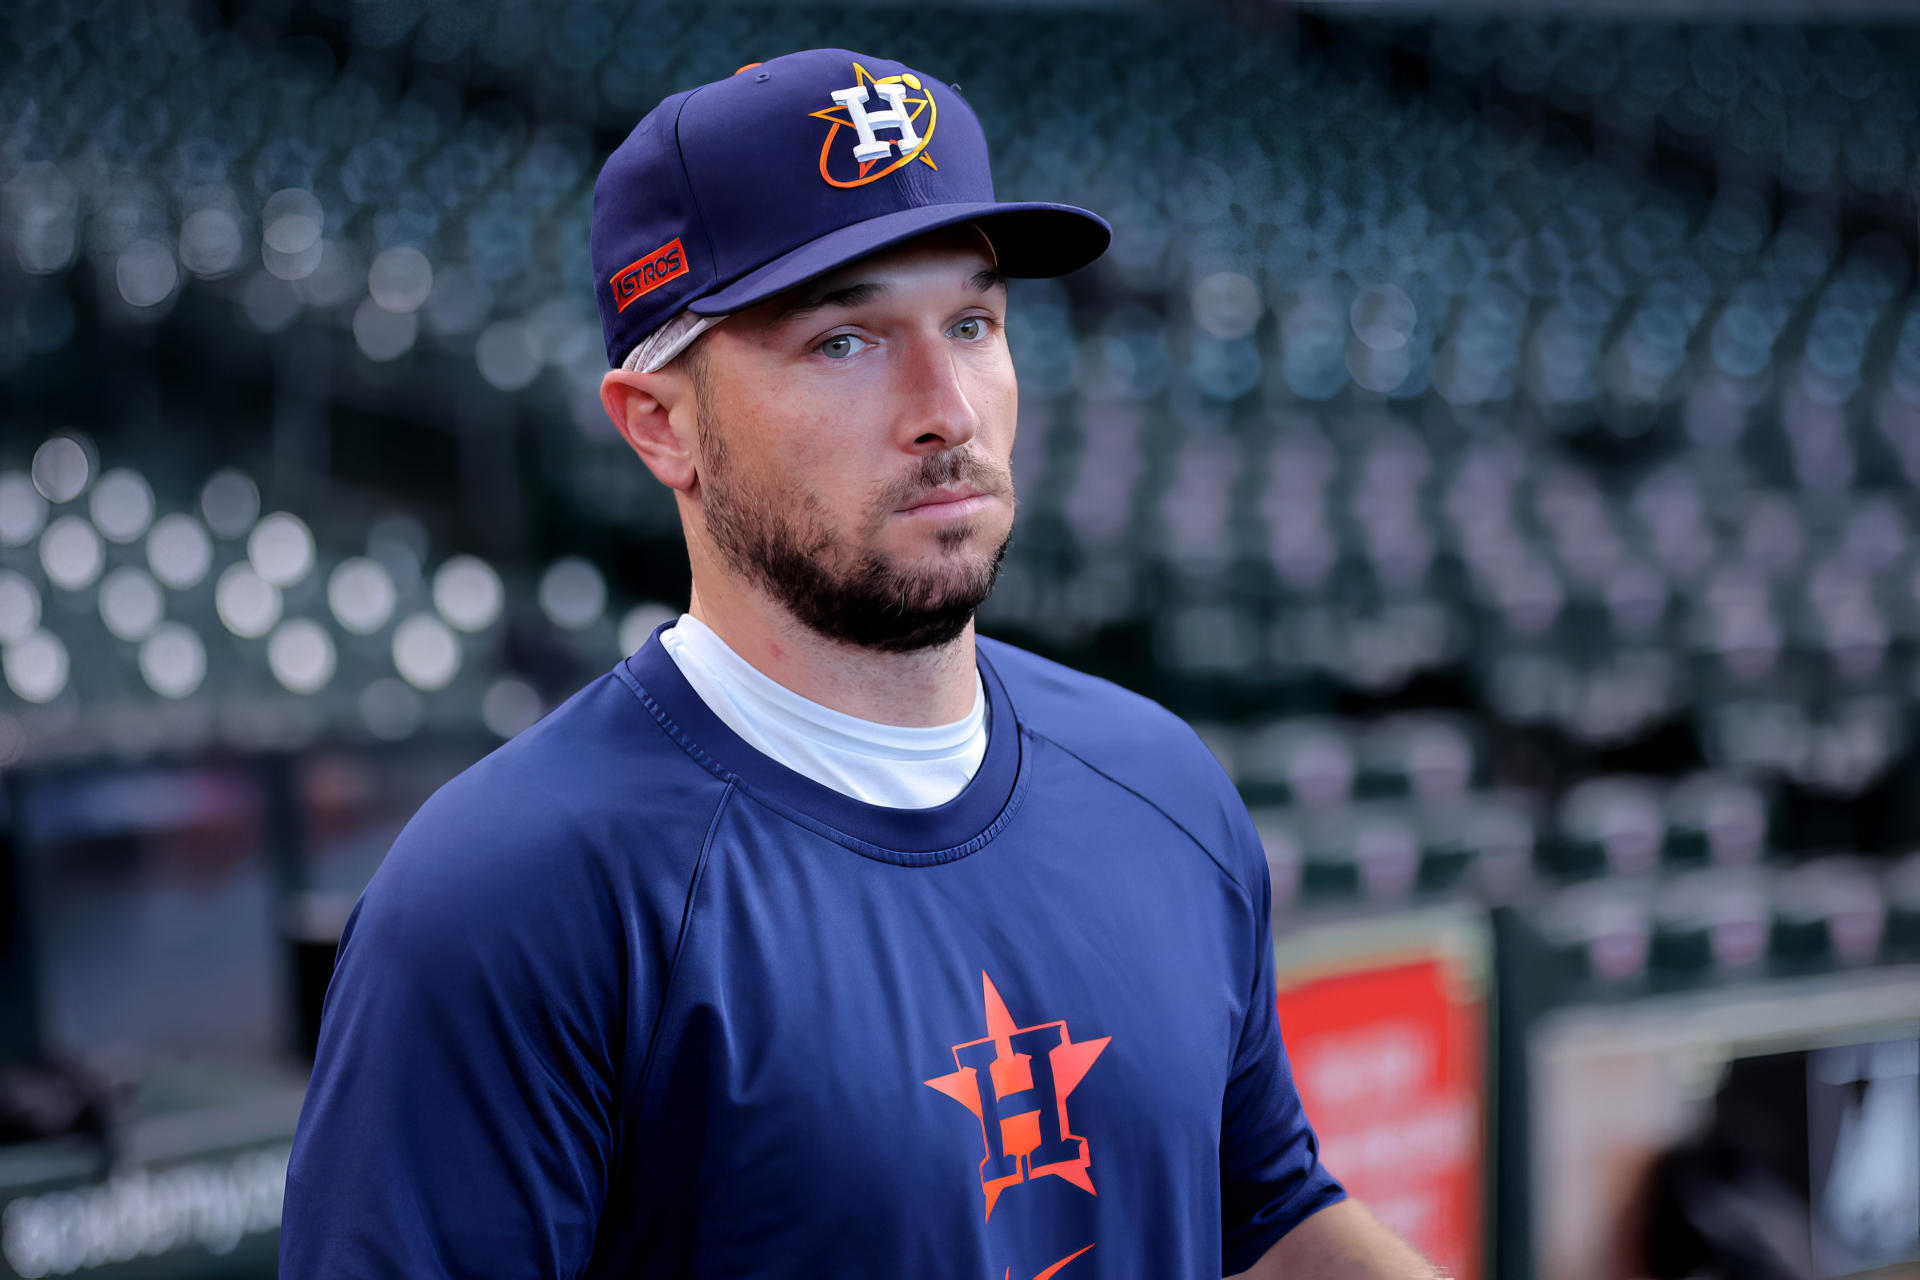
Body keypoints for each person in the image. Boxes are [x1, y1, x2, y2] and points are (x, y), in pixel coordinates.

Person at [281, 47, 1434, 1280]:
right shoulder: (505, 897)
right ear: (660, 423)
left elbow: (1267, 1215)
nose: (948, 406)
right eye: (845, 340)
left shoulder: (1164, 783)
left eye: (974, 321)